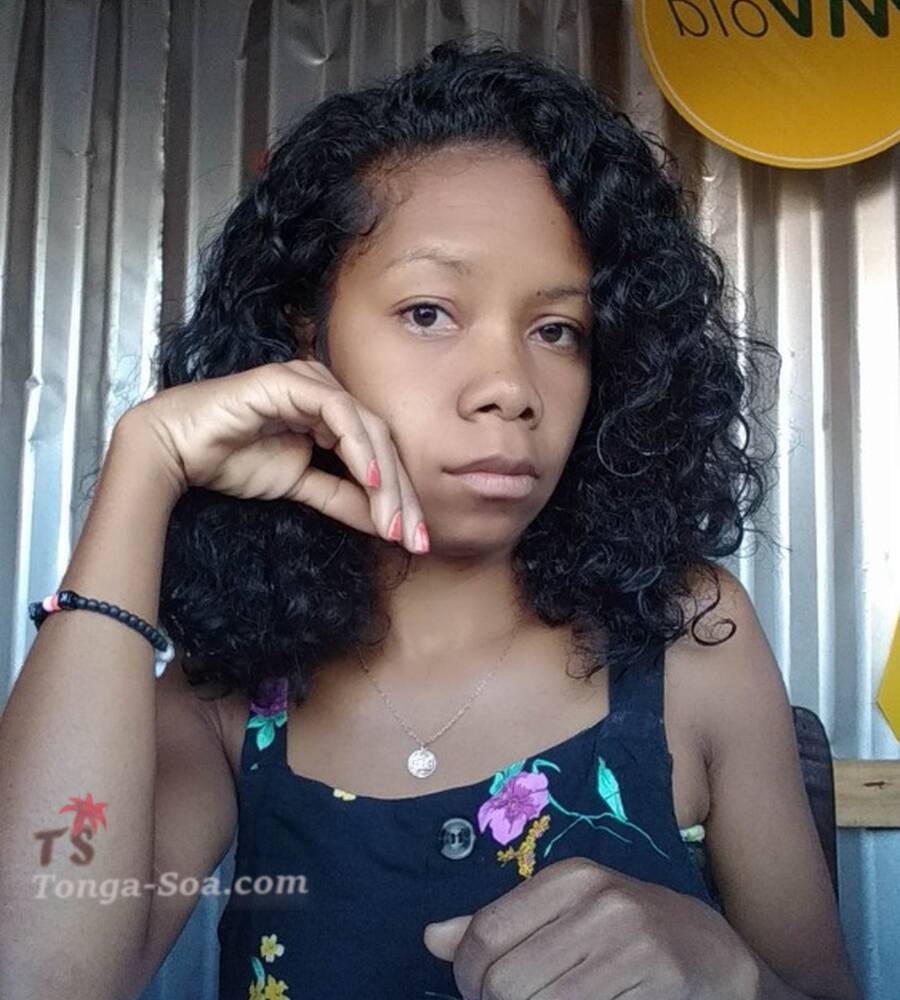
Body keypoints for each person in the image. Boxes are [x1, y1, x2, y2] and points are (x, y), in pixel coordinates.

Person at [0, 36, 861, 1000]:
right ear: (307, 338)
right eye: (428, 313)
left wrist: (736, 979)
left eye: (556, 330)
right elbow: (37, 972)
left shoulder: (691, 633)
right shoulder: (229, 692)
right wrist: (143, 468)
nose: (509, 387)